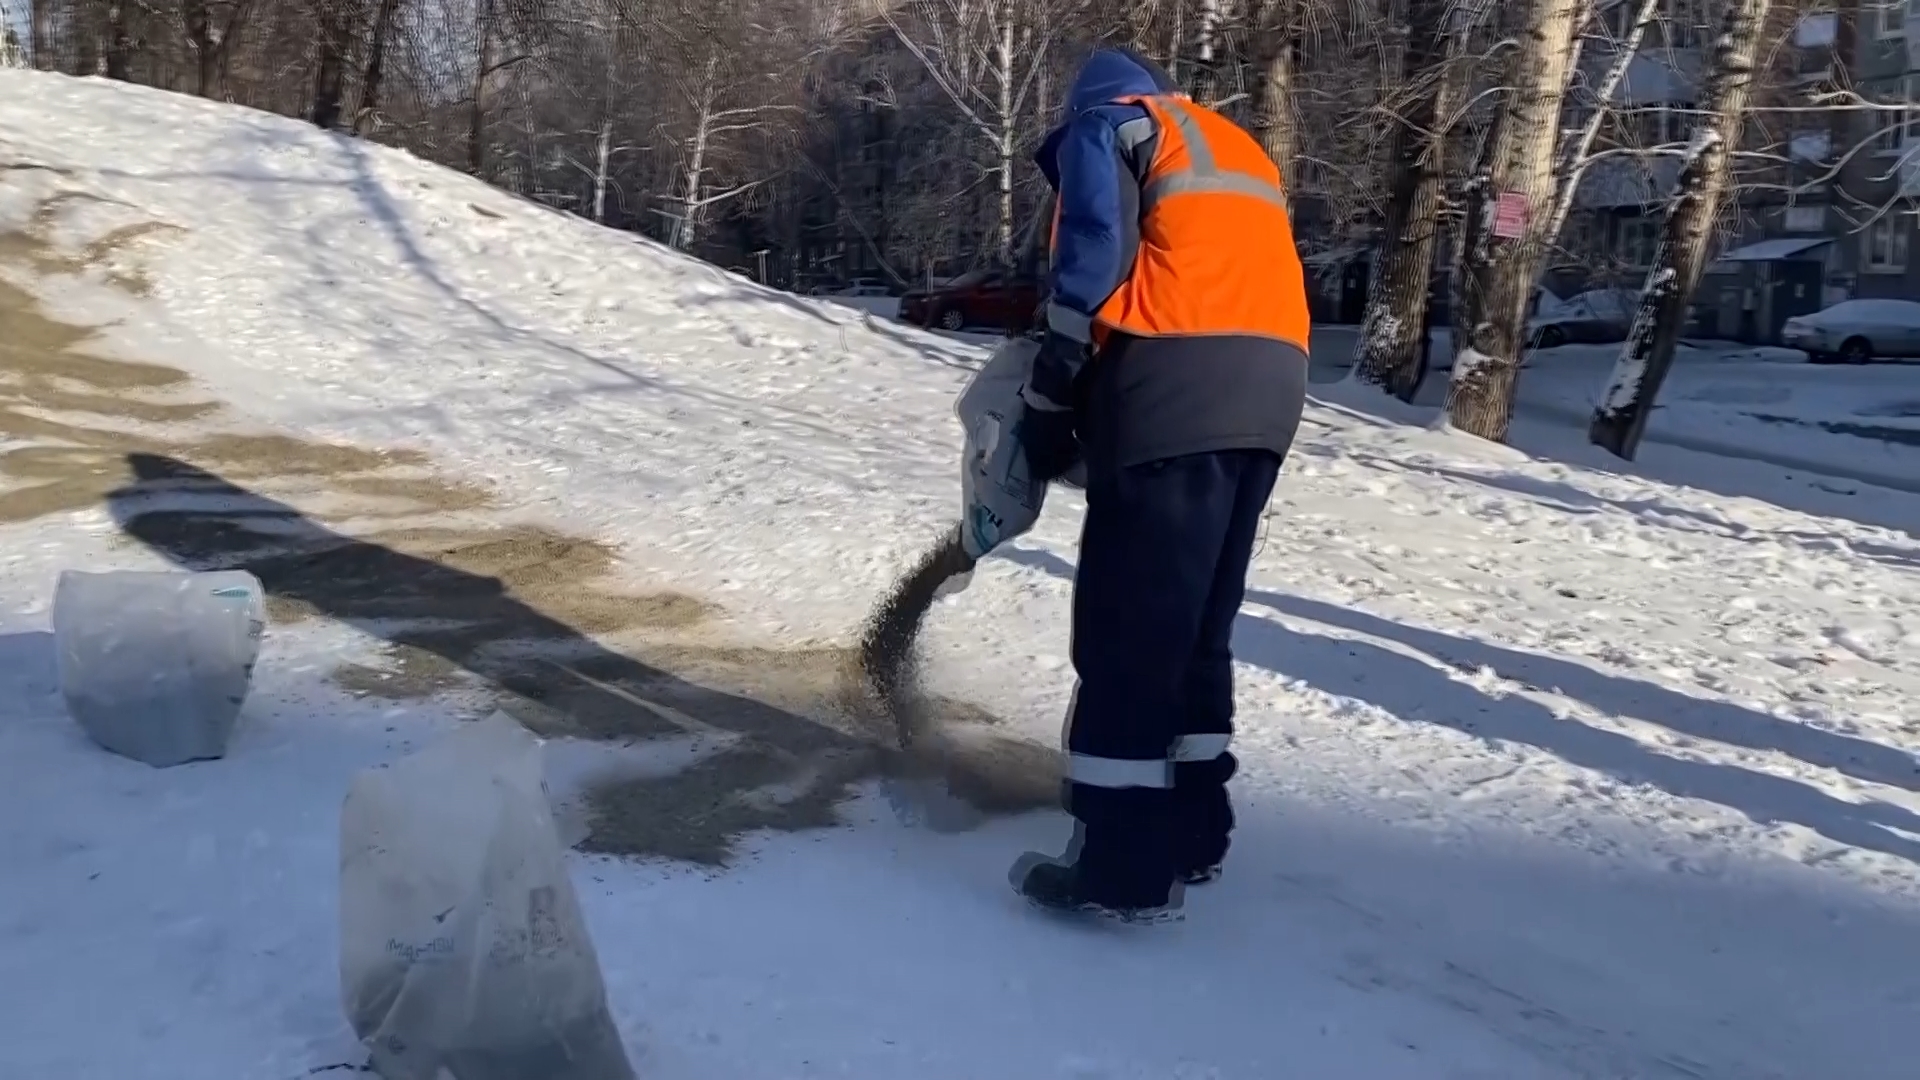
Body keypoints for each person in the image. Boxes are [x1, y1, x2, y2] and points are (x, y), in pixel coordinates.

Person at [997, 47, 1312, 921]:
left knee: (1130, 633)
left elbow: (1096, 253)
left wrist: (1055, 383)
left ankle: (1120, 868)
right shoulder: (1229, 144)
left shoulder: (1113, 125)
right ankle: (1192, 834)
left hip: (1173, 384)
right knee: (1199, 626)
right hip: (1272, 391)